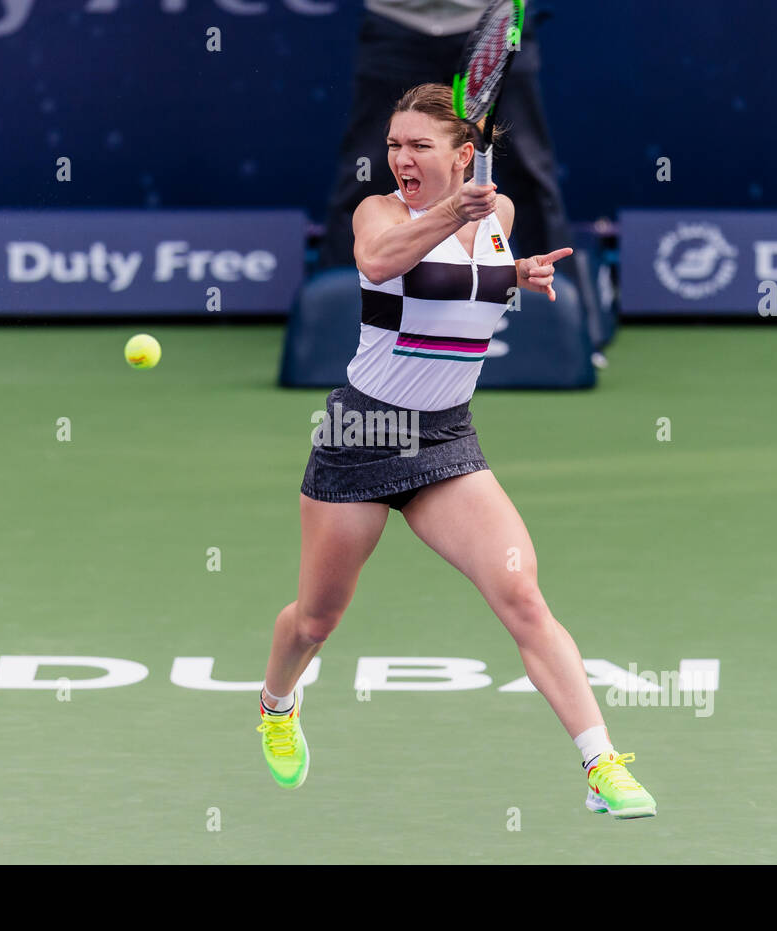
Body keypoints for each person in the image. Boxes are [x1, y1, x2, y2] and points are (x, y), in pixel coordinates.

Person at [256, 83, 656, 820]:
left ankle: (601, 764)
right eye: (394, 146)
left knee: (524, 599)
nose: (400, 158)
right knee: (316, 620)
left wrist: (518, 271)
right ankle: (278, 703)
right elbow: (378, 265)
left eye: (419, 145)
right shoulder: (379, 211)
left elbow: (472, 277)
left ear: (463, 154)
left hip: (446, 438)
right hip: (363, 434)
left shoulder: (497, 214)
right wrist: (450, 210)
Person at [318, 2, 583, 295]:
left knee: (530, 172)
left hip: (496, 22)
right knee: (363, 171)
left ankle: (562, 317)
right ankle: (333, 310)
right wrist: (456, 211)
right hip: (395, 22)